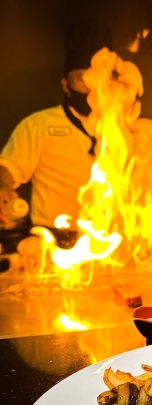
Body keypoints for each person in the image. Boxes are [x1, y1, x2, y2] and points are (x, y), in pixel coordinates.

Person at [0, 19, 112, 245]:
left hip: (109, 241)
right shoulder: (39, 124)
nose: (90, 86)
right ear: (65, 84)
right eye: (81, 78)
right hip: (53, 240)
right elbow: (8, 168)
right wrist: (2, 187)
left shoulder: (124, 128)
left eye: (96, 78)